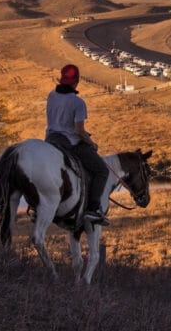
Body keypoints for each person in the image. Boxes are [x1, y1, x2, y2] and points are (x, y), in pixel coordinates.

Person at [45, 64, 110, 226]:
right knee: (102, 170)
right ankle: (93, 209)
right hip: (69, 143)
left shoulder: (51, 95)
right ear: (77, 81)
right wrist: (91, 143)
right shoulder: (77, 102)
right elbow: (79, 131)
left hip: (51, 139)